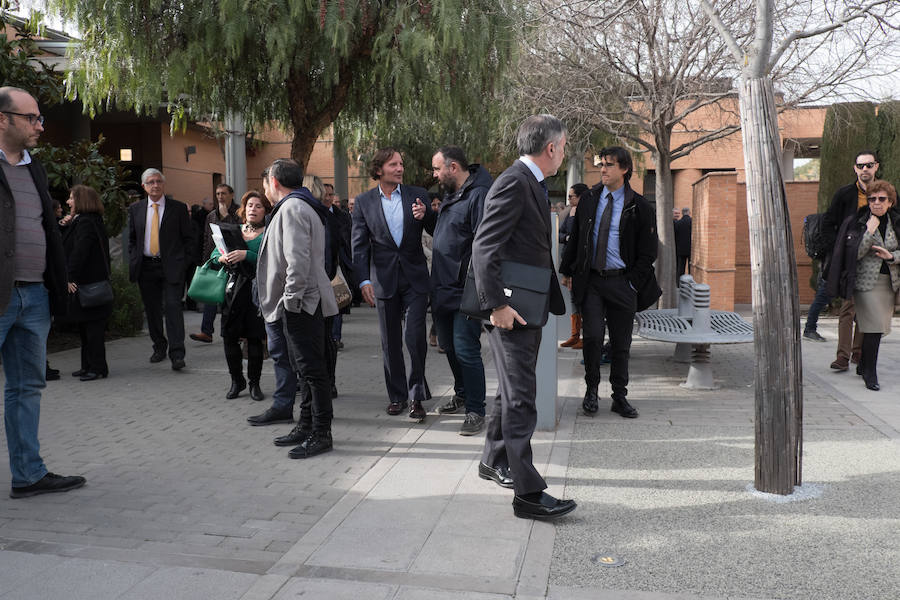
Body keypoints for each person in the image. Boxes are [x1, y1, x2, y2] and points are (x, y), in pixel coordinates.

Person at [471, 114, 573, 520]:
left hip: (524, 307)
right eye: (563, 147)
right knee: (521, 399)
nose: (563, 154)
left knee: (510, 393)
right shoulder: (515, 181)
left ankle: (493, 460)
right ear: (551, 148)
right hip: (509, 311)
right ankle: (528, 494)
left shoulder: (530, 180)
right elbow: (484, 248)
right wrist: (496, 306)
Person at [0, 86, 85, 498]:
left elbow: (46, 228)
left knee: (26, 387)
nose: (39, 125)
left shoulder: (35, 167)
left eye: (40, 119)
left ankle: (28, 474)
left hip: (33, 295)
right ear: (3, 119)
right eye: (31, 118)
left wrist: (57, 282)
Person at [559, 146, 658, 420]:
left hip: (622, 283)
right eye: (601, 164)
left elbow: (648, 253)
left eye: (609, 165)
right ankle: (591, 392)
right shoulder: (589, 199)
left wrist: (632, 284)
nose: (603, 169)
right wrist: (567, 270)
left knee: (620, 343)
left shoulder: (640, 206)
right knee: (591, 337)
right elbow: (577, 239)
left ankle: (619, 396)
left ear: (624, 169)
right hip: (591, 281)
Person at [253, 159, 338, 459]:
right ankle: (305, 426)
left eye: (265, 183)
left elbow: (298, 260)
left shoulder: (292, 208)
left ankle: (320, 433)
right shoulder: (299, 205)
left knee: (313, 371)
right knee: (305, 371)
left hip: (303, 303)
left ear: (274, 181)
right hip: (304, 301)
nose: (263, 189)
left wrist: (291, 300)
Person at [351, 147, 436, 421]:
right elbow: (359, 245)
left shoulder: (418, 195)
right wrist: (363, 280)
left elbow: (436, 228)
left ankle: (416, 396)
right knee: (390, 342)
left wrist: (427, 216)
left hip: (415, 278)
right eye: (393, 165)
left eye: (401, 164)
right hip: (383, 280)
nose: (400, 169)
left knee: (414, 338)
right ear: (379, 170)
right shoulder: (364, 202)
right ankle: (397, 396)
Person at [430, 146, 492, 436]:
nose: (434, 174)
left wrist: (479, 286)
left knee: (466, 349)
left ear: (452, 167)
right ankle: (462, 393)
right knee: (449, 346)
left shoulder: (478, 194)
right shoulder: (453, 193)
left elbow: (484, 242)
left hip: (465, 287)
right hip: (442, 286)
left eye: (436, 168)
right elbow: (449, 234)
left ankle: (476, 409)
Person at [803, 150, 876, 364]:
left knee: (867, 308)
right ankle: (843, 355)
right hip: (848, 259)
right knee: (848, 306)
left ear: (876, 167)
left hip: (873, 258)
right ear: (855, 168)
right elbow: (828, 223)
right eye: (861, 165)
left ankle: (858, 351)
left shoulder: (884, 193)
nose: (865, 169)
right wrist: (839, 249)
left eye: (869, 165)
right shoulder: (845, 194)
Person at [827, 180, 900, 391]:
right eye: (872, 199)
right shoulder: (858, 221)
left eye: (881, 199)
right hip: (865, 284)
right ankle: (870, 373)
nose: (876, 203)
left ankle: (864, 366)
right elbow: (853, 254)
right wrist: (869, 232)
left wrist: (891, 255)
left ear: (890, 201)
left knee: (875, 329)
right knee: (875, 327)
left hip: (889, 284)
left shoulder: (896, 222)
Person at [127, 168, 195, 370]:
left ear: (163, 184)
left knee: (173, 308)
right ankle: (159, 346)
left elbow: (189, 239)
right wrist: (134, 258)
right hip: (146, 267)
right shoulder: (136, 209)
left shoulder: (178, 208)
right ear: (144, 186)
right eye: (151, 182)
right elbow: (132, 239)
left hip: (171, 268)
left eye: (158, 181)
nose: (155, 185)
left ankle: (177, 354)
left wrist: (183, 263)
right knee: (152, 310)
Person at [210, 190, 270, 401]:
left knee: (255, 338)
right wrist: (221, 258)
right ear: (244, 209)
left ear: (265, 211)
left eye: (259, 206)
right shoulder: (233, 230)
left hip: (255, 291)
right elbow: (215, 254)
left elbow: (270, 259)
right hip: (233, 290)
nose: (254, 209)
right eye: (251, 205)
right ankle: (237, 381)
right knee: (229, 336)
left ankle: (254, 383)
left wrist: (247, 255)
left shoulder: (268, 233)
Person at [62, 185, 112, 381]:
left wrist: (69, 276)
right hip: (92, 283)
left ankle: (97, 368)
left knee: (92, 330)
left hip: (89, 285)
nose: (68, 202)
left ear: (81, 200)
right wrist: (65, 223)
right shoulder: (90, 220)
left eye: (71, 198)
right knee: (87, 328)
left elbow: (79, 252)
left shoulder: (85, 223)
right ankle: (88, 365)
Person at [191, 183, 239, 343]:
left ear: (231, 195)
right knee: (210, 296)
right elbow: (207, 239)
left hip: (234, 260)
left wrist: (226, 217)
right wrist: (206, 261)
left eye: (223, 193)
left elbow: (236, 233)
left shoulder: (239, 212)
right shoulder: (211, 215)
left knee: (231, 298)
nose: (220, 197)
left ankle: (235, 332)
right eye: (218, 194)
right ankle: (206, 331)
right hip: (216, 259)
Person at [559, 183, 588, 349]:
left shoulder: (586, 213)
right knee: (573, 300)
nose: (569, 199)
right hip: (569, 262)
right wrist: (568, 238)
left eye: (571, 196)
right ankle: (575, 335)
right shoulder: (569, 213)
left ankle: (585, 336)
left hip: (580, 263)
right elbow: (561, 233)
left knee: (582, 300)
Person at [674, 206, 692, 278]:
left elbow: (675, 236)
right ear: (688, 212)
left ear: (682, 213)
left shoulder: (678, 223)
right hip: (690, 249)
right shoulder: (692, 221)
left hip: (680, 249)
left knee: (680, 268)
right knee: (691, 268)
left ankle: (679, 283)